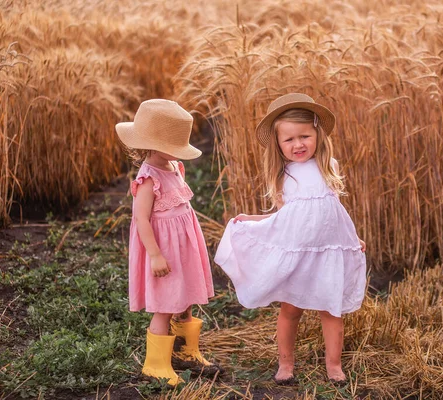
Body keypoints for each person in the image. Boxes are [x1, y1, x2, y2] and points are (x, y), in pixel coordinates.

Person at [214, 93, 367, 385]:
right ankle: (286, 364)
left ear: (318, 135)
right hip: (298, 252)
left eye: (305, 136)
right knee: (290, 309)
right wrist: (253, 220)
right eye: (289, 140)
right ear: (278, 144)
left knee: (331, 309)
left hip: (326, 252)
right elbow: (285, 219)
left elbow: (335, 212)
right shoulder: (284, 175)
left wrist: (353, 237)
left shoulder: (327, 166)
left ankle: (333, 365)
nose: (298, 144)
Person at [116, 99, 219, 385]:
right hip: (162, 249)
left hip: (182, 247)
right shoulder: (148, 177)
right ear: (150, 143)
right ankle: (155, 365)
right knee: (164, 304)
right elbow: (142, 220)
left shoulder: (173, 165)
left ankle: (186, 352)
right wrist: (155, 255)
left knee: (184, 300)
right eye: (172, 145)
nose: (176, 152)